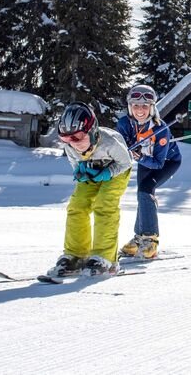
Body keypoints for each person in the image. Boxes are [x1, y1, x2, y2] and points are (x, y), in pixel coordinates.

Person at [48, 102, 132, 277]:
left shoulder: (110, 142)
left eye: (78, 137)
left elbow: (125, 163)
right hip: (92, 172)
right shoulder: (71, 147)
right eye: (66, 139)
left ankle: (105, 258)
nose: (73, 143)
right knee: (77, 206)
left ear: (92, 130)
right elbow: (76, 164)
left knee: (104, 204)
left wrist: (108, 173)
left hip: (116, 171)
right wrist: (81, 172)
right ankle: (76, 256)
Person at [117, 84, 182, 259]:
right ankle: (139, 238)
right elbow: (120, 145)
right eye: (136, 105)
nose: (140, 110)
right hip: (145, 161)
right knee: (142, 194)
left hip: (167, 162)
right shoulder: (124, 124)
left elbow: (159, 163)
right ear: (130, 107)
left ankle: (150, 239)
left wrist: (139, 157)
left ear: (152, 108)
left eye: (145, 106)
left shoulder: (161, 129)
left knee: (146, 190)